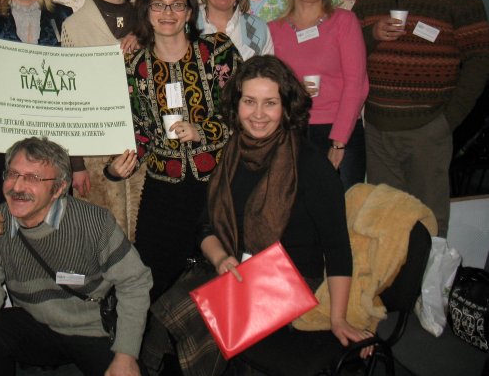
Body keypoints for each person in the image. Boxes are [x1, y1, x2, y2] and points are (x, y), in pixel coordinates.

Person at [144, 56, 369, 375]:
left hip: (291, 279)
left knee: (204, 319)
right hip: (236, 265)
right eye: (249, 101)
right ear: (236, 105)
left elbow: (337, 248)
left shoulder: (311, 165)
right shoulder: (232, 152)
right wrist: (221, 259)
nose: (259, 114)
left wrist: (338, 318)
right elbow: (205, 224)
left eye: (270, 103)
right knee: (164, 315)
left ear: (286, 107)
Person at [0, 137, 152, 376]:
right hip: (37, 325)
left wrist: (126, 355)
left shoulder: (93, 222)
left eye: (33, 178)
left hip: (92, 329)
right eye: (13, 174)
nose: (17, 187)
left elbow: (135, 282)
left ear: (59, 188)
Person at [351, 0, 489, 236]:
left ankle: (430, 274)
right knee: (385, 223)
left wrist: (447, 120)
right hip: (378, 129)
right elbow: (350, 51)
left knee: (428, 223)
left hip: (428, 130)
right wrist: (372, 34)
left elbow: (480, 57)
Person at [107, 0, 242, 300]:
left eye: (177, 5)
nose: (168, 12)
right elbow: (139, 129)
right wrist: (117, 166)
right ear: (146, 11)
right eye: (159, 5)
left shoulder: (217, 50)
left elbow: (243, 111)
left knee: (223, 280)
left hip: (221, 184)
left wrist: (203, 131)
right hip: (164, 189)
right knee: (151, 280)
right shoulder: (135, 65)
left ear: (189, 12)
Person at [0, 0, 90, 201]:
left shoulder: (63, 16)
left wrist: (77, 163)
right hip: (4, 144)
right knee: (12, 212)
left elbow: (74, 90)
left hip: (55, 145)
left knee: (55, 216)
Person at [60, 0, 144, 238]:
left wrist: (145, 36)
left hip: (144, 147)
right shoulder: (74, 26)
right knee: (101, 236)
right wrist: (76, 165)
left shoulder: (149, 20)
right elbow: (70, 100)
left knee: (142, 232)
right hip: (94, 152)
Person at [269, 0, 368, 190]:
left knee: (343, 206)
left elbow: (356, 84)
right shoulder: (273, 30)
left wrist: (338, 141)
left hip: (339, 132)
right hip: (292, 132)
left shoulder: (344, 22)